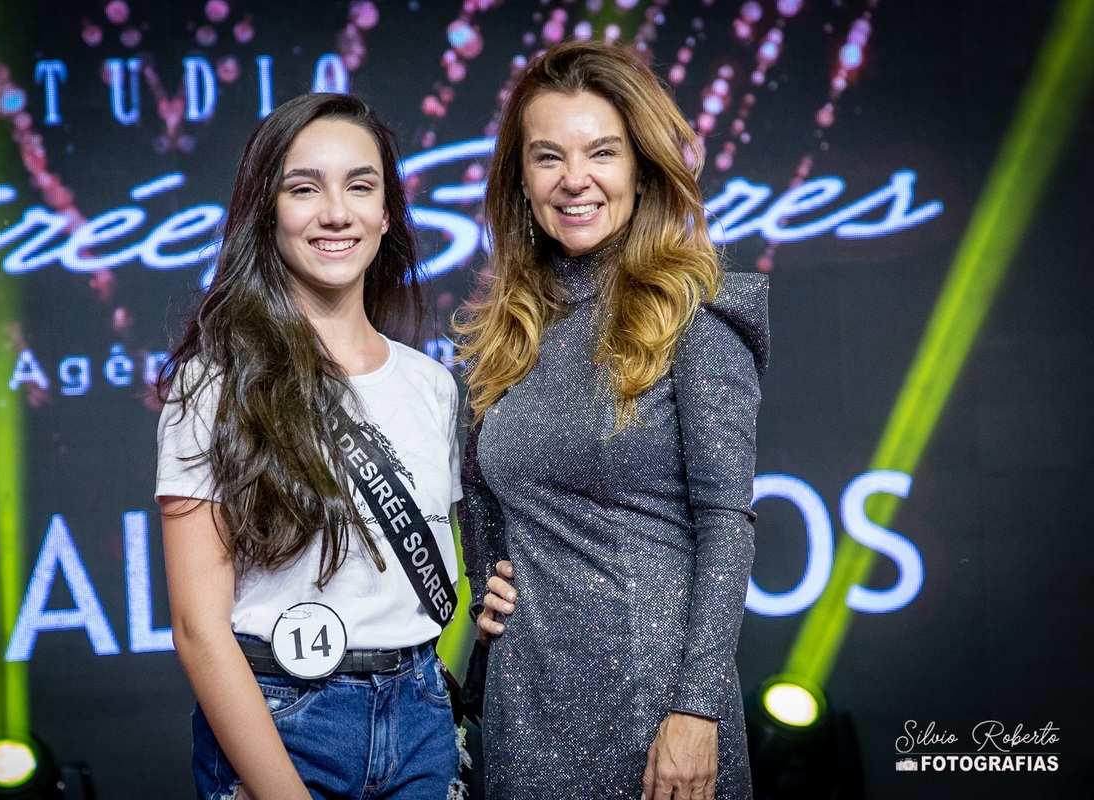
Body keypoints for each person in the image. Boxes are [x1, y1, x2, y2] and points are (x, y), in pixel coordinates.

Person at [454, 41, 769, 800]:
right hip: (527, 705)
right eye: (548, 156)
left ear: (642, 168)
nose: (575, 179)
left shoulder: (692, 316)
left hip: (655, 702)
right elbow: (485, 499)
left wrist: (696, 709)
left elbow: (727, 520)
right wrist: (488, 587)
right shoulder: (507, 332)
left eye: (602, 152)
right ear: (520, 179)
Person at [156, 93, 464, 800]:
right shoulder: (214, 382)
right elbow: (197, 629)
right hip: (281, 721)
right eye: (304, 188)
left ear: (386, 214)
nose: (335, 213)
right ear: (267, 212)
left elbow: (441, 572)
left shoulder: (432, 386)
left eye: (360, 186)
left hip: (421, 716)